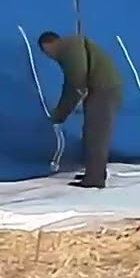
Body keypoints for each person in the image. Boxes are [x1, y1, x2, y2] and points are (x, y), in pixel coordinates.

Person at [37, 30, 123, 189]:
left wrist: (60, 114)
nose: (48, 56)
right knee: (92, 133)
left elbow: (75, 84)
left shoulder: (68, 49)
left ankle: (95, 179)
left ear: (47, 46)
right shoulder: (72, 45)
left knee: (96, 135)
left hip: (104, 90)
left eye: (45, 52)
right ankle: (95, 172)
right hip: (103, 88)